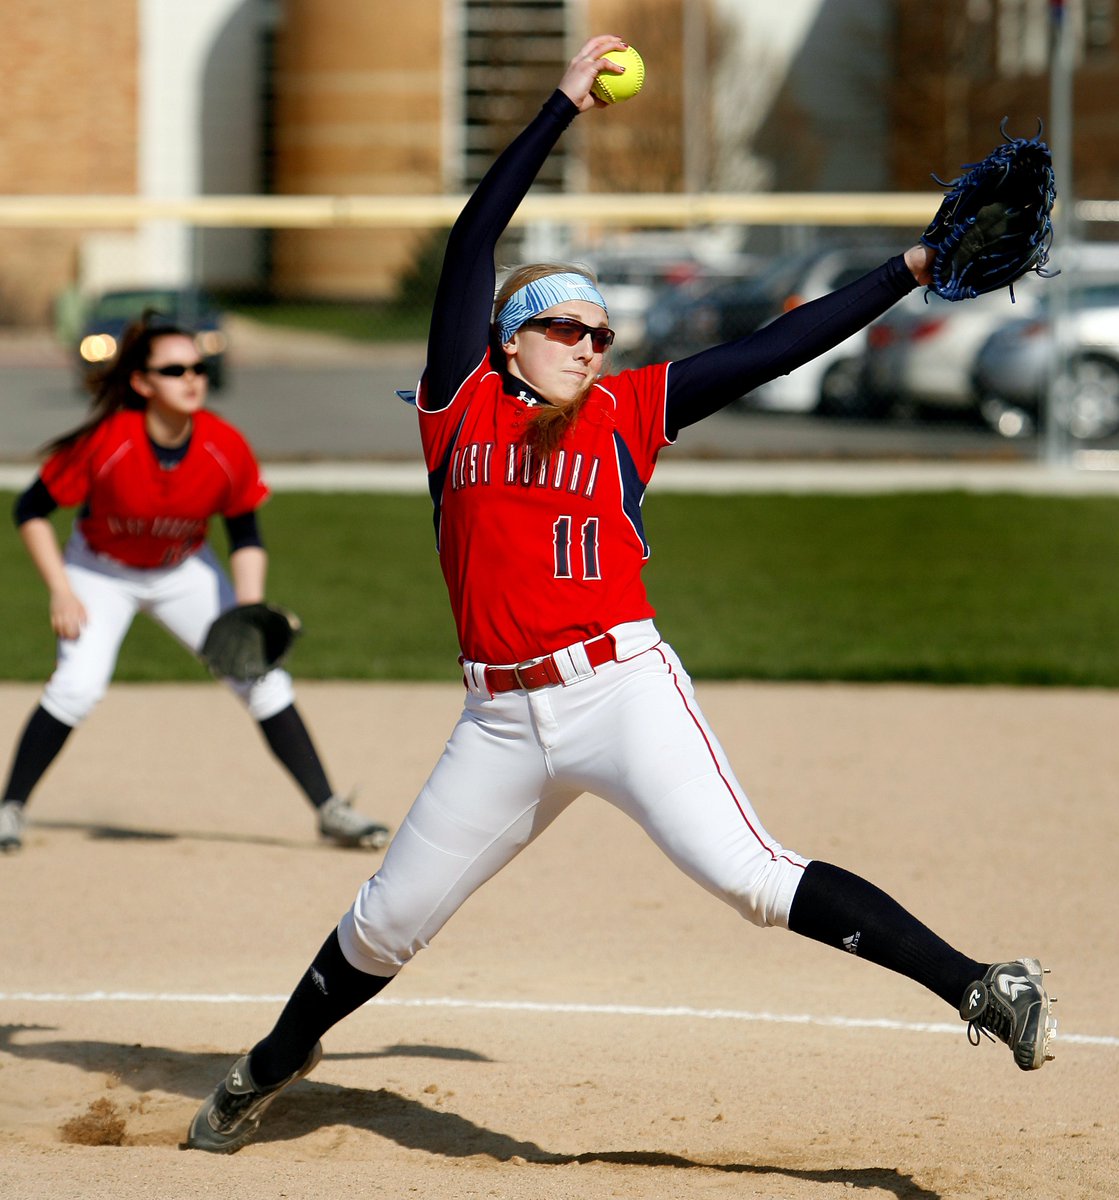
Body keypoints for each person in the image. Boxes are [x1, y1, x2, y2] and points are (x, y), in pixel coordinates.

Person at [186, 35, 1055, 1154]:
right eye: (566, 325)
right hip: (499, 718)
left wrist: (909, 273)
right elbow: (471, 238)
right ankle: (262, 1067)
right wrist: (559, 105)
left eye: (602, 331)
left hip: (621, 690)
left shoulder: (629, 413)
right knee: (387, 921)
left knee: (750, 876)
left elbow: (772, 350)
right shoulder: (457, 408)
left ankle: (984, 985)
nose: (592, 344)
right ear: (508, 341)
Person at [0, 315, 389, 853]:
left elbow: (245, 531)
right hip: (99, 572)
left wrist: (247, 611)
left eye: (199, 367)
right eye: (174, 369)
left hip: (183, 570)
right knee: (78, 685)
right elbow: (31, 509)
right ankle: (10, 807)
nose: (191, 378)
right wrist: (61, 590)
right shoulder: (108, 442)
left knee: (261, 679)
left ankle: (330, 810)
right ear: (142, 383)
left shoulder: (222, 445)